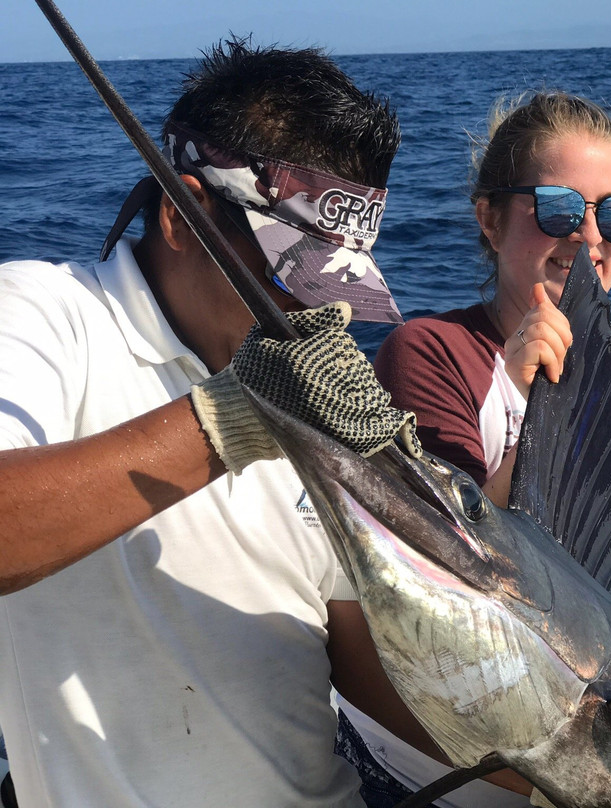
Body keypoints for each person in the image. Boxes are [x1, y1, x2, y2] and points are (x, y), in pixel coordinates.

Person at [0, 38, 435, 808]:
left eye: (344, 285)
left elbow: (367, 675)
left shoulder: (308, 387)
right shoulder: (40, 315)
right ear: (183, 215)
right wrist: (232, 417)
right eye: (292, 274)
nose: (323, 316)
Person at [337, 90, 611, 807]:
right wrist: (519, 398)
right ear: (489, 221)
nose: (589, 238)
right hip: (439, 768)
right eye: (558, 209)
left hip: (589, 752)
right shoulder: (428, 352)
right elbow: (438, 570)